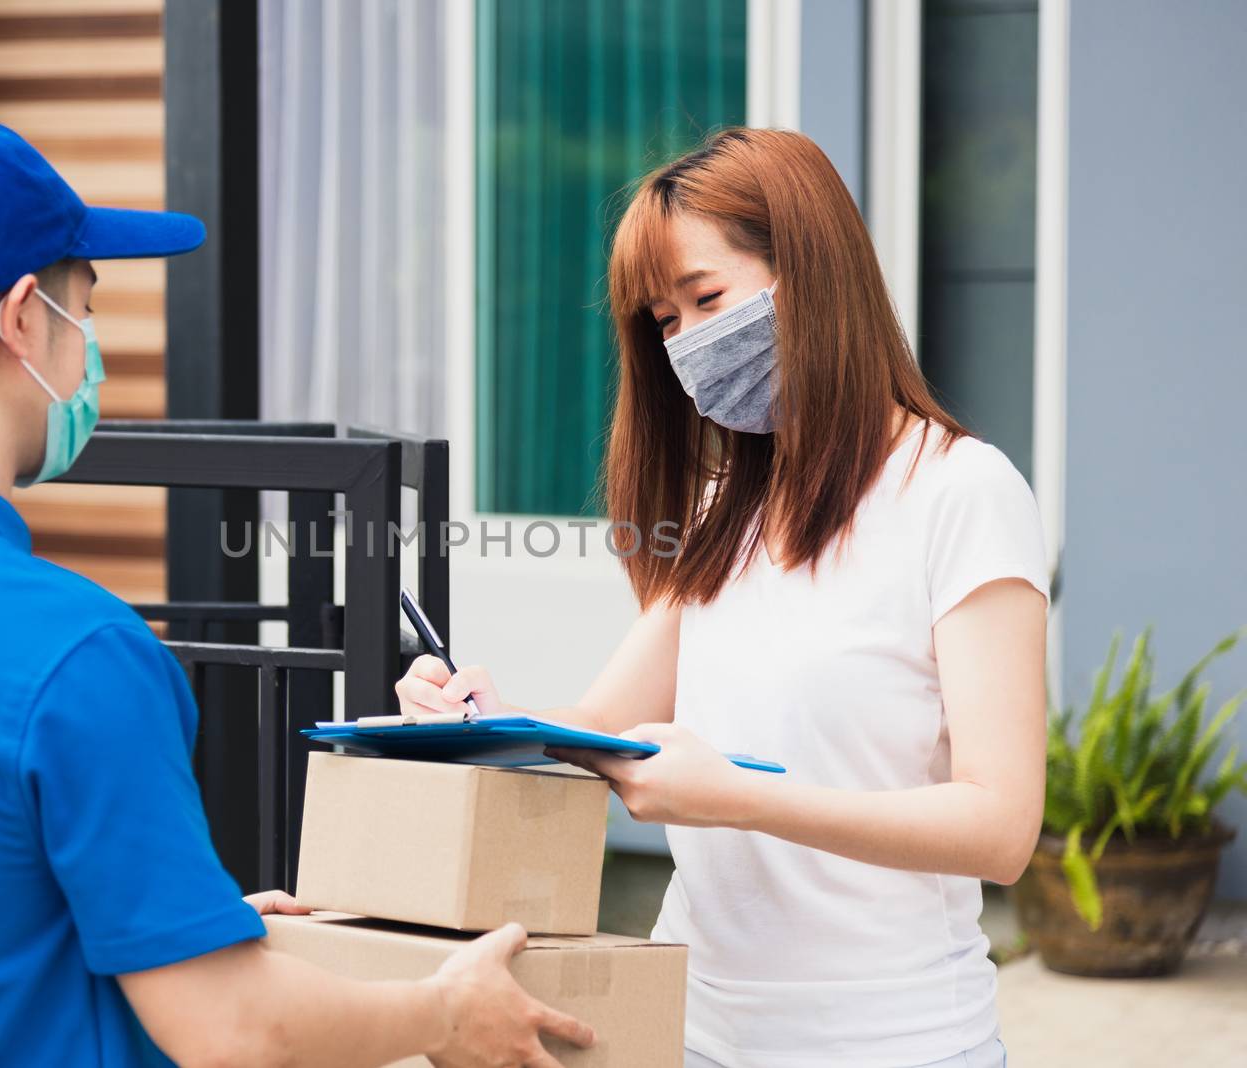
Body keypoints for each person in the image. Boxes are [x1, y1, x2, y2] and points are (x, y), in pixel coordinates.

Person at [0, 118, 593, 1068]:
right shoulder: (75, 650)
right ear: (17, 319)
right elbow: (231, 1030)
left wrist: (182, 936)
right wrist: (445, 1011)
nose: (89, 347)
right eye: (82, 306)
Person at [396, 128, 1047, 1068]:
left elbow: (999, 827)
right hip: (694, 1031)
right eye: (663, 321)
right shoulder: (721, 507)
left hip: (893, 1040)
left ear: (814, 273)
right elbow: (599, 724)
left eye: (707, 299)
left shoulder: (961, 492)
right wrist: (473, 715)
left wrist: (741, 798)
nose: (688, 344)